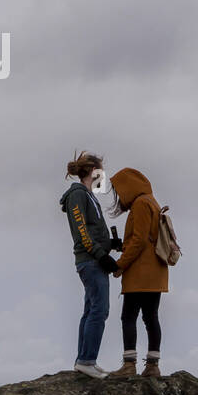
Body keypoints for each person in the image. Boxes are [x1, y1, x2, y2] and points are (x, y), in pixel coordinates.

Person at [60, 151, 123, 378]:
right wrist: (102, 256)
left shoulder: (88, 196)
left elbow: (92, 232)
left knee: (91, 310)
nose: (103, 178)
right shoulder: (78, 195)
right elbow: (82, 234)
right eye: (101, 173)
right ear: (93, 172)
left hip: (93, 260)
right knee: (99, 310)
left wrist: (111, 244)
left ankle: (85, 360)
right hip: (90, 261)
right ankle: (86, 360)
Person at [107, 167, 169, 378]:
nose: (118, 196)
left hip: (141, 272)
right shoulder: (152, 201)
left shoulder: (141, 204)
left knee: (128, 316)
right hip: (156, 272)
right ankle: (153, 365)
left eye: (118, 190)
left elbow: (139, 240)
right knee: (151, 317)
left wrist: (120, 264)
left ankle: (129, 364)